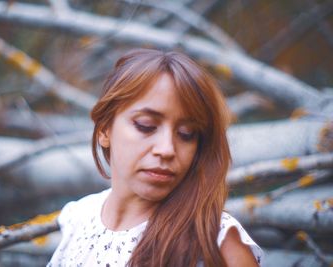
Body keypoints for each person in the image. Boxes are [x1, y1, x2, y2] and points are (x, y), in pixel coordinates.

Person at [47, 49, 263, 267]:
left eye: (187, 134)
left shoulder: (217, 242)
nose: (167, 149)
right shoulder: (78, 217)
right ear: (104, 130)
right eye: (146, 126)